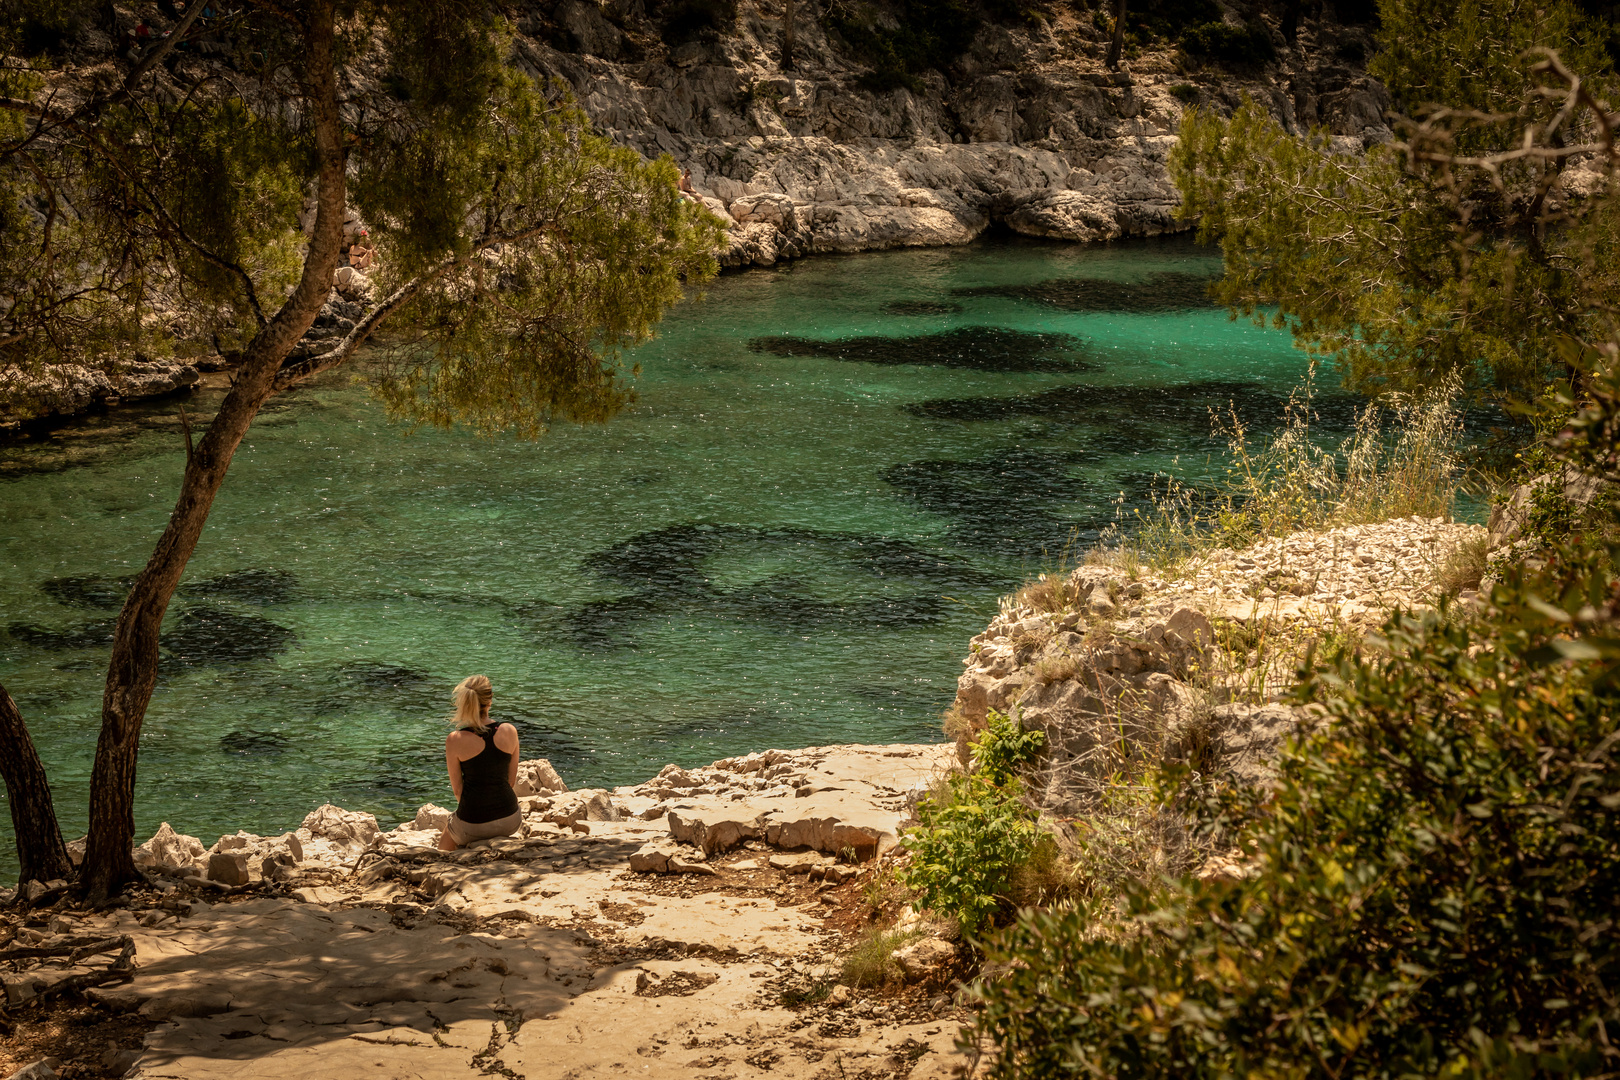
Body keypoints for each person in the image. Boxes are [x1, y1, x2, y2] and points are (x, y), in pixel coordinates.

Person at [439, 674, 521, 851]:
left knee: (445, 842)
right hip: (510, 819)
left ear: (465, 704)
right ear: (490, 701)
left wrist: (478, 815)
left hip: (472, 823)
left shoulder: (454, 740)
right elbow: (511, 782)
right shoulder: (510, 731)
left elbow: (458, 790)